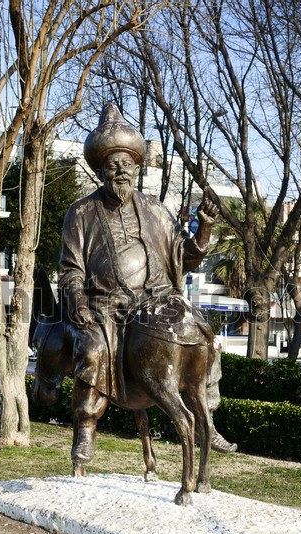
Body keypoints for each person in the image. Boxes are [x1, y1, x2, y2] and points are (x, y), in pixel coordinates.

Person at [58, 103, 236, 462]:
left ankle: (207, 421)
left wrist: (205, 228)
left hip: (159, 300)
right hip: (106, 306)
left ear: (137, 168)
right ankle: (86, 429)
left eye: (127, 164)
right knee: (93, 350)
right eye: (112, 165)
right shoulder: (80, 213)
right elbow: (70, 269)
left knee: (206, 337)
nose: (120, 171)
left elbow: (184, 256)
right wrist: (77, 300)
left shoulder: (155, 209)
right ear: (100, 170)